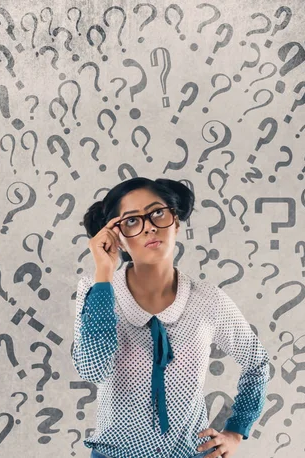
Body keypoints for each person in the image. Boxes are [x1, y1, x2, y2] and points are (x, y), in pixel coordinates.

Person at [73, 177, 271, 458]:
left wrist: (236, 431)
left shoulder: (208, 300)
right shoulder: (96, 292)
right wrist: (103, 274)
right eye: (131, 221)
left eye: (157, 213)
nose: (150, 226)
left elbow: (256, 362)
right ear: (116, 236)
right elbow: (93, 370)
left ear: (175, 221)